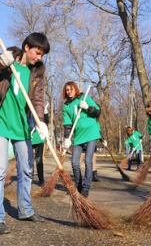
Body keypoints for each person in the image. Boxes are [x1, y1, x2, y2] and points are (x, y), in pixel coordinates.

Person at [0, 32, 50, 234]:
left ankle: (25, 209)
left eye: (42, 54)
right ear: (27, 46)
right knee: (0, 171)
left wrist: (41, 121)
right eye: (37, 52)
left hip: (22, 126)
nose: (39, 57)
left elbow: (37, 98)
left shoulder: (36, 72)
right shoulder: (7, 57)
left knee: (26, 170)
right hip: (2, 123)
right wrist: (1, 64)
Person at [62, 81, 101, 198]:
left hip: (90, 131)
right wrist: (66, 138)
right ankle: (78, 185)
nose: (69, 92)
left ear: (75, 89)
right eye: (67, 90)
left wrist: (88, 107)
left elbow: (98, 112)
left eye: (71, 89)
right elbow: (68, 124)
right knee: (74, 163)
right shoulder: (66, 106)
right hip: (78, 135)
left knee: (88, 161)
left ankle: (86, 187)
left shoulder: (85, 98)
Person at [30, 103, 49, 186]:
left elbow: (46, 122)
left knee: (38, 159)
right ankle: (29, 178)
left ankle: (41, 180)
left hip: (39, 138)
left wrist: (46, 114)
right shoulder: (27, 108)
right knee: (29, 160)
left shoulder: (39, 108)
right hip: (29, 138)